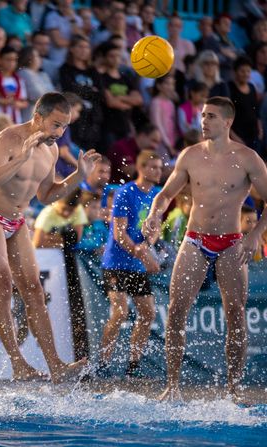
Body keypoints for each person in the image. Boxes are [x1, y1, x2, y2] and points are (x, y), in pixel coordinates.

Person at [142, 97, 267, 401]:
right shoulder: (190, 156)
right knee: (177, 310)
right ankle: (173, 386)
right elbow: (165, 195)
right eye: (202, 115)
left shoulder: (247, 158)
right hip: (195, 239)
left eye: (211, 116)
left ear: (227, 122)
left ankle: (234, 389)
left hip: (232, 242)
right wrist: (154, 214)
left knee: (235, 313)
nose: (203, 121)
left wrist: (255, 234)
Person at [0, 92, 101, 382]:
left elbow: (47, 195)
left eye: (64, 127)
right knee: (2, 281)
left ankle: (56, 366)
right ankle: (19, 365)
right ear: (37, 116)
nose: (59, 133)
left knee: (34, 291)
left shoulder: (51, 151)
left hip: (16, 221)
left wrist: (79, 176)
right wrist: (22, 157)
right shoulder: (8, 138)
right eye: (54, 125)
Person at [99, 150, 162, 378]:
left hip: (136, 263)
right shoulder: (125, 193)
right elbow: (118, 233)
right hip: (116, 261)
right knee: (120, 312)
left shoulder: (157, 195)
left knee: (147, 314)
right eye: (153, 167)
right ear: (142, 168)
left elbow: (155, 228)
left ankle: (133, 366)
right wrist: (143, 255)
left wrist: (147, 244)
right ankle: (103, 364)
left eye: (160, 167)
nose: (158, 171)